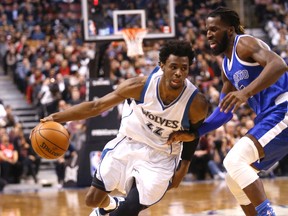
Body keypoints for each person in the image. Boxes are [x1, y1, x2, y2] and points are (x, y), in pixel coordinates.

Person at [35, 40, 208, 216]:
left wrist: (184, 167)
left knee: (127, 212)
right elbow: (96, 106)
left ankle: (120, 208)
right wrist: (57, 117)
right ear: (162, 65)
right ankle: (110, 205)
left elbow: (194, 135)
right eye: (173, 67)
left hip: (161, 157)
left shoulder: (196, 104)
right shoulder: (139, 87)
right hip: (129, 142)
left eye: (184, 68)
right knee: (92, 200)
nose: (179, 73)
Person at [192, 7, 288, 216]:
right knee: (232, 176)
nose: (209, 34)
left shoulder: (244, 43)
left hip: (284, 108)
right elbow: (224, 110)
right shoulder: (226, 66)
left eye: (214, 29)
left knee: (233, 160)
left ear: (230, 30)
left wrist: (246, 92)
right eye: (207, 30)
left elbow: (279, 64)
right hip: (270, 117)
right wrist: (195, 133)